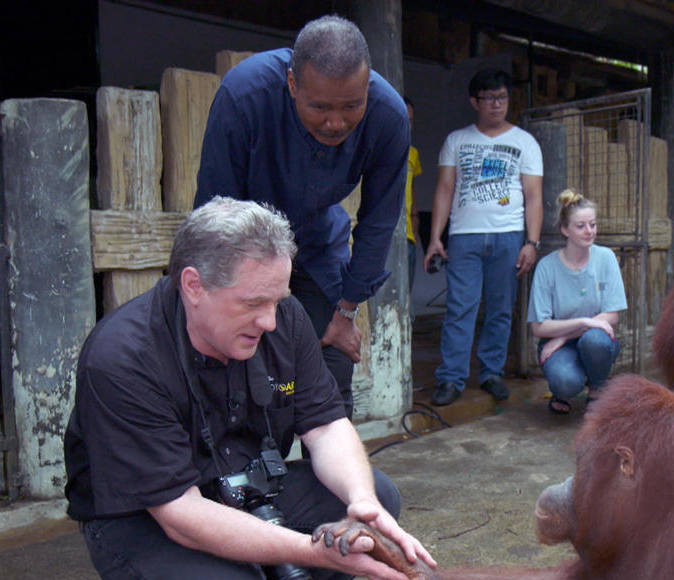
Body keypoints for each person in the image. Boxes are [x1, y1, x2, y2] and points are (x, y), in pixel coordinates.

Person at [64, 197, 434, 580]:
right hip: (145, 516)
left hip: (243, 488)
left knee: (373, 501)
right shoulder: (123, 358)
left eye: (277, 300)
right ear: (194, 286)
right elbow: (181, 515)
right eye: (252, 304)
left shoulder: (285, 317)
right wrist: (317, 551)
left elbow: (325, 426)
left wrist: (360, 503)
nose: (271, 322)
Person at [194, 15, 409, 419]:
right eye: (320, 107)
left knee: (334, 363)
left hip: (314, 246)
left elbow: (379, 222)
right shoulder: (244, 96)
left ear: (368, 87)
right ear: (292, 84)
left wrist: (345, 313)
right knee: (235, 364)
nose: (336, 122)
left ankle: (329, 478)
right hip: (241, 249)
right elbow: (214, 214)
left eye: (352, 105)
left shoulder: (388, 117)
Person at [424, 68, 543, 406]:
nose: (496, 104)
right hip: (465, 236)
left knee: (501, 309)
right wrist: (436, 237)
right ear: (474, 101)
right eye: (489, 98)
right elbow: (445, 189)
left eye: (502, 98)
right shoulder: (457, 141)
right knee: (460, 308)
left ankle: (491, 373)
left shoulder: (525, 142)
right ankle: (451, 378)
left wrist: (531, 242)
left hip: (509, 234)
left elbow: (534, 195)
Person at [527, 190, 627, 414]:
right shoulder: (547, 267)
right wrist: (586, 322)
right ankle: (562, 390)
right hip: (559, 344)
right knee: (565, 382)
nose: (589, 231)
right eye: (580, 226)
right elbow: (539, 327)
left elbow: (613, 315)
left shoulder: (606, 258)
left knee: (596, 340)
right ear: (565, 230)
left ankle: (597, 389)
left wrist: (563, 336)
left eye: (592, 224)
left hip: (593, 340)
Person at [403, 96, 422, 293]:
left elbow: (412, 188)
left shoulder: (413, 154)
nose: (406, 125)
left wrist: (415, 220)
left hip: (409, 234)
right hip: (389, 235)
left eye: (410, 121)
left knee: (406, 294)